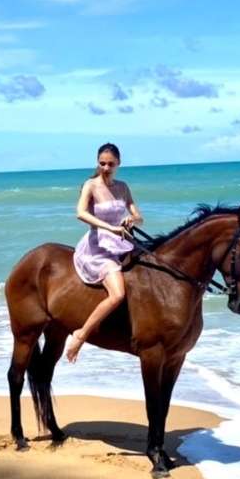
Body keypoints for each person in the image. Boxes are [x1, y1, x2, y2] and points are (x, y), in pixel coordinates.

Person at [65, 143, 143, 363]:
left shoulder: (123, 186)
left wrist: (132, 219)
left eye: (110, 164)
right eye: (102, 163)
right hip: (98, 246)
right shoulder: (91, 185)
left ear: (118, 164)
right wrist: (109, 228)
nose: (106, 167)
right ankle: (82, 334)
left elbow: (138, 215)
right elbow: (80, 213)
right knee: (117, 294)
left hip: (122, 241)